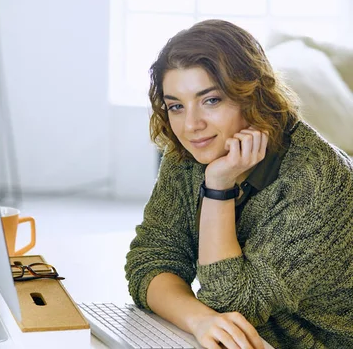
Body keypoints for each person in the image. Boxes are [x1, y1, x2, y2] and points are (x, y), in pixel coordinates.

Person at [125, 19, 353, 349]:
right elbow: (151, 260)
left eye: (211, 100)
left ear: (252, 95)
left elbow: (233, 303)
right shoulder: (192, 152)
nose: (191, 125)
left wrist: (218, 186)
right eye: (176, 105)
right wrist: (198, 320)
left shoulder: (318, 178)